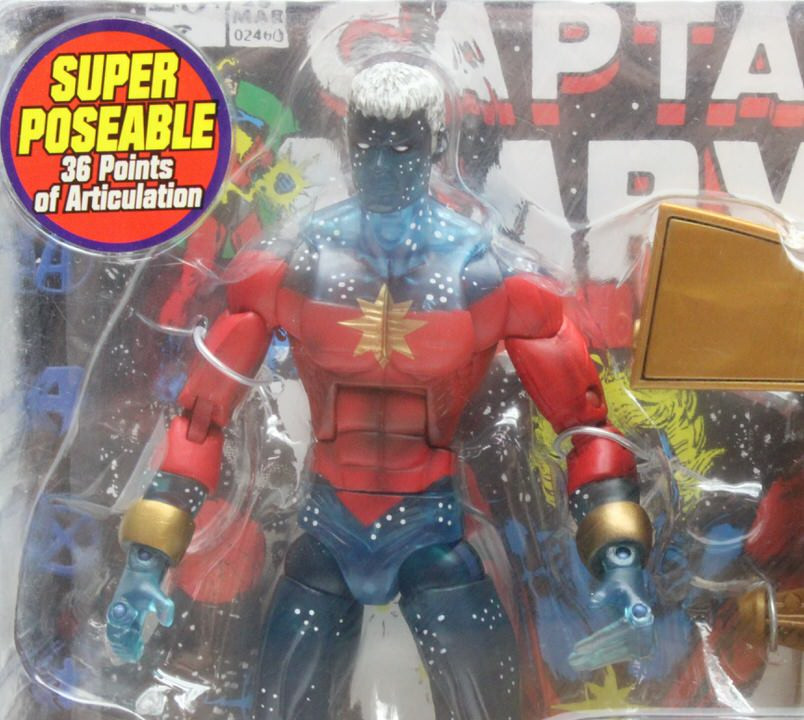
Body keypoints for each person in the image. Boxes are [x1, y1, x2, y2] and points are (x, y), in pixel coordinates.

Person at [107, 61, 653, 720]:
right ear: (347, 142)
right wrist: (146, 562)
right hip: (325, 527)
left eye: (401, 147)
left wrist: (621, 563)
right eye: (368, 145)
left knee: (490, 708)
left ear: (433, 144)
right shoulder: (292, 268)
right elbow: (200, 419)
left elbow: (585, 425)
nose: (383, 165)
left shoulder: (487, 274)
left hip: (435, 528)